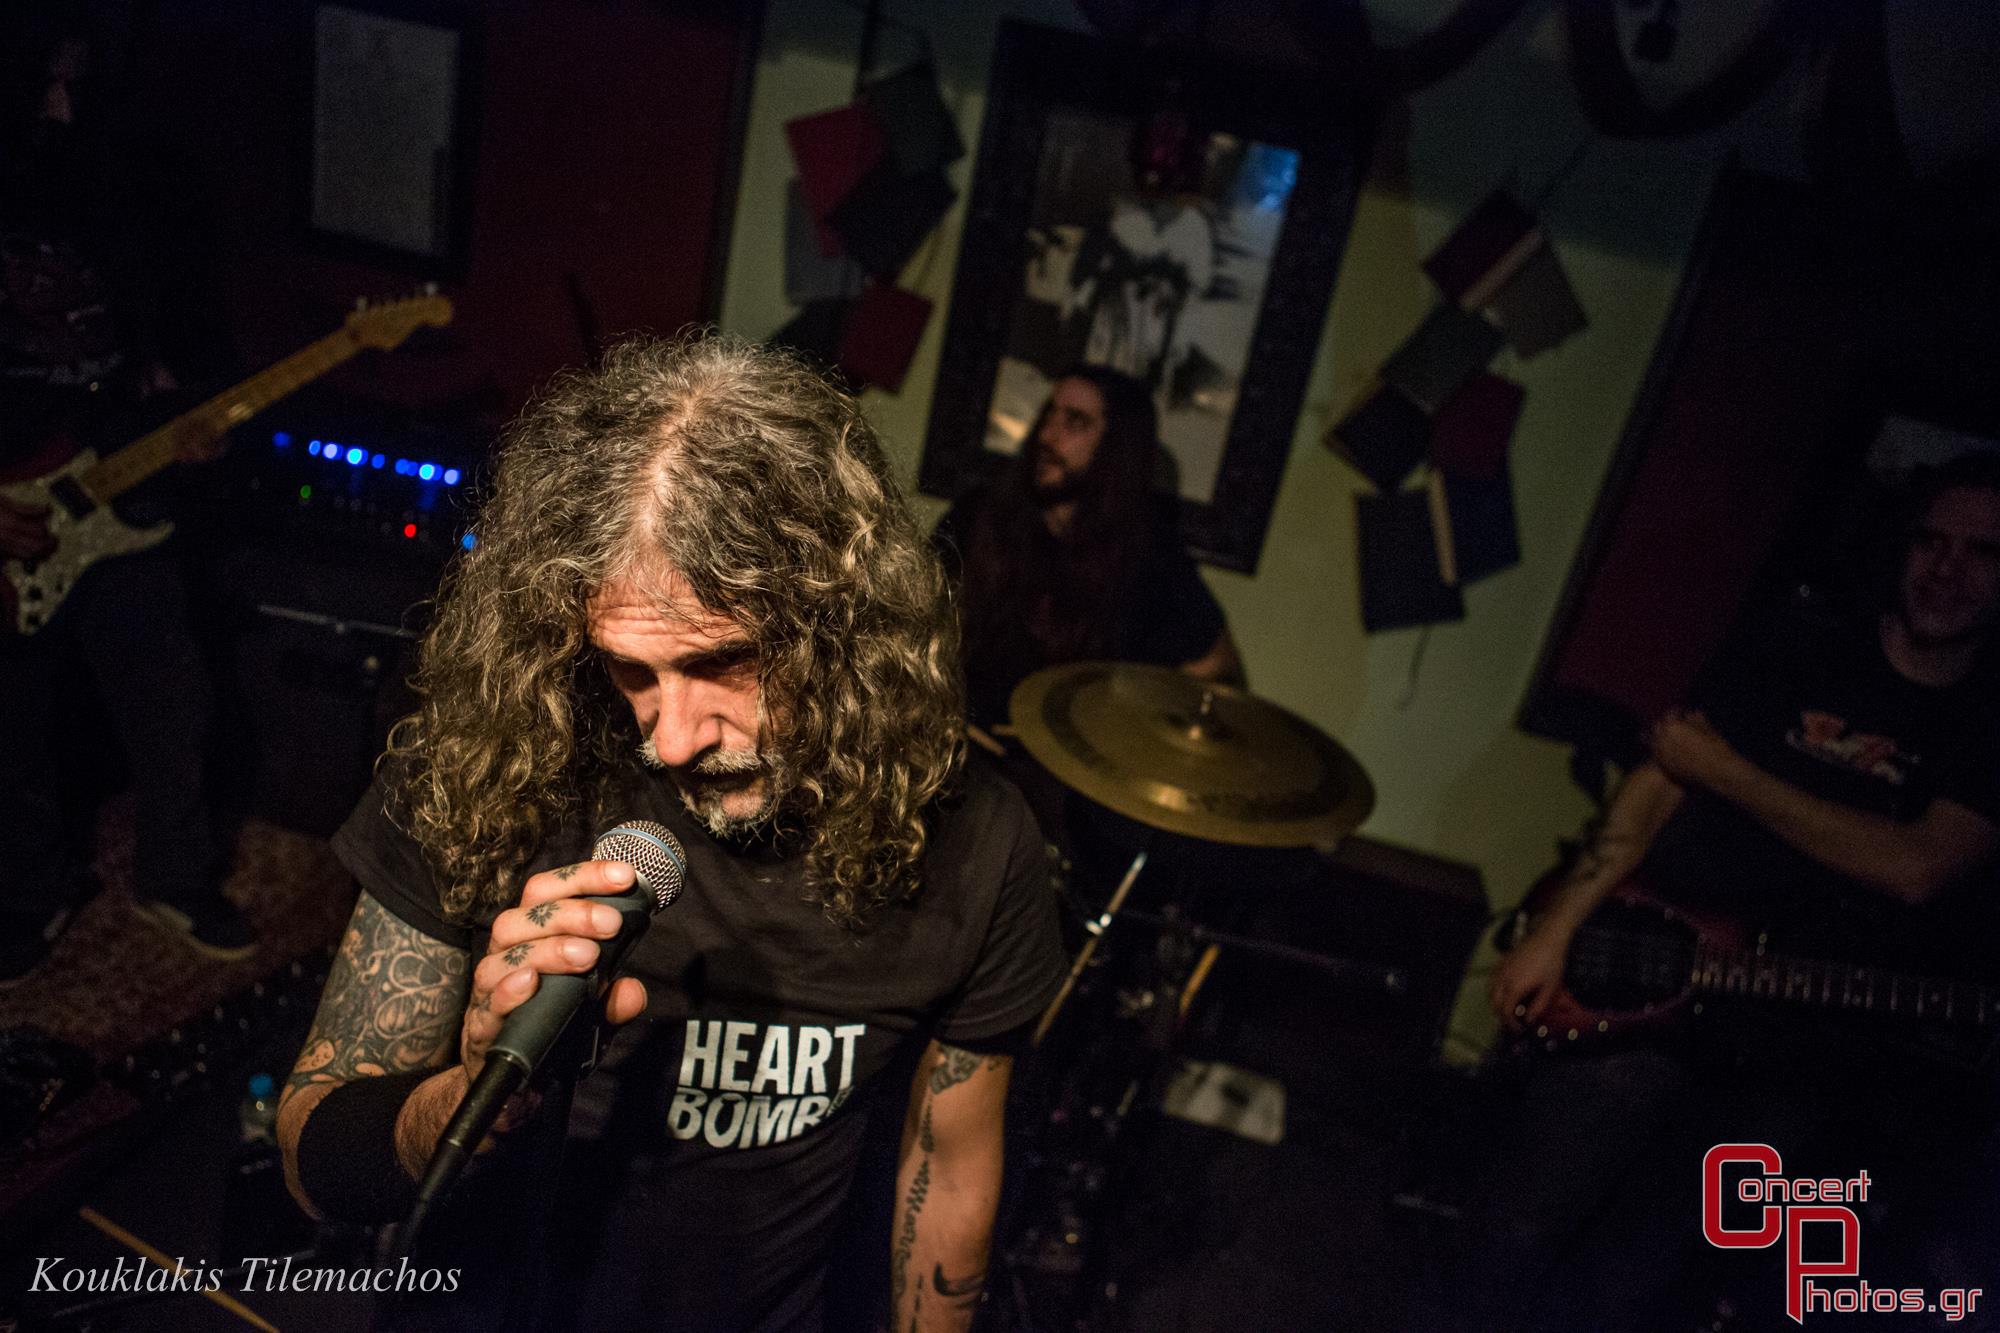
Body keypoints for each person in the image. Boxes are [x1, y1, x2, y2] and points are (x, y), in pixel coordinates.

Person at [276, 334, 1066, 1332]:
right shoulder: (485, 761)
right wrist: (470, 1096)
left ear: (840, 621)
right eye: (631, 670)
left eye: (724, 661)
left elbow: (946, 1170)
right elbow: (309, 1159)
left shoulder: (971, 838)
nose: (677, 737)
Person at [1424, 454, 2000, 1330]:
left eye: (1981, 552)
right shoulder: (1796, 643)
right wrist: (1556, 928)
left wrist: (1731, 774)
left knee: (1646, 1267)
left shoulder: (1986, 721)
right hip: (1656, 967)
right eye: (1931, 541)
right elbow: (1659, 783)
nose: (1947, 570)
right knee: (1515, 1222)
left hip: (1804, 1050)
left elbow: (1916, 866)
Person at [0, 6, 252, 982]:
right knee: (13, 724)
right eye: (45, 85)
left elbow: (171, 351)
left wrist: (189, 423)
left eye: (79, 83)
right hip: (13, 493)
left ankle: (174, 877)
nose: (63, 109)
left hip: (115, 482)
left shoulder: (124, 190)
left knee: (173, 699)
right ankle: (32, 893)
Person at [932, 364, 1240, 733]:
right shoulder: (980, 515)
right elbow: (913, 615)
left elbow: (1217, 670)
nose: (1047, 435)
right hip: (956, 738)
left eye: (1075, 422)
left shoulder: (1151, 559)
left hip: (1064, 759)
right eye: (1049, 414)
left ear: (1116, 446)